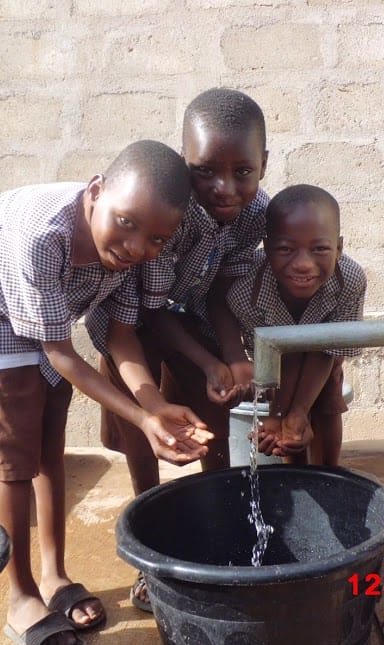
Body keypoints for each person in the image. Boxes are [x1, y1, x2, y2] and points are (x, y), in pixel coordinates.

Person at [0, 140, 214, 645]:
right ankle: (20, 595)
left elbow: (118, 334)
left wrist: (153, 404)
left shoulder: (139, 252)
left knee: (50, 444)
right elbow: (63, 356)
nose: (136, 246)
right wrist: (140, 418)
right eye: (126, 223)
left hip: (51, 318)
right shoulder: (41, 234)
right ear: (96, 191)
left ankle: (53, 575)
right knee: (16, 459)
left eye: (156, 239)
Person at [94, 87, 269, 611]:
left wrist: (231, 355)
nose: (224, 187)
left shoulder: (256, 214)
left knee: (212, 429)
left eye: (243, 171)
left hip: (192, 320)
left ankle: (219, 537)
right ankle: (150, 554)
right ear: (184, 159)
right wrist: (209, 359)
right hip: (134, 328)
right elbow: (147, 313)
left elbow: (220, 288)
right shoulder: (167, 212)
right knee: (145, 444)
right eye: (205, 171)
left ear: (265, 163)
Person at [226, 184, 366, 466]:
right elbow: (270, 363)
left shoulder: (349, 281)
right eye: (287, 249)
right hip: (276, 360)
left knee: (327, 404)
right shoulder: (246, 291)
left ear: (338, 248)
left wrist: (300, 409)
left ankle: (329, 474)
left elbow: (328, 351)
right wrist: (278, 415)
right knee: (288, 432)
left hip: (325, 356)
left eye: (320, 249)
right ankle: (295, 471)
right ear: (267, 248)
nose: (303, 264)